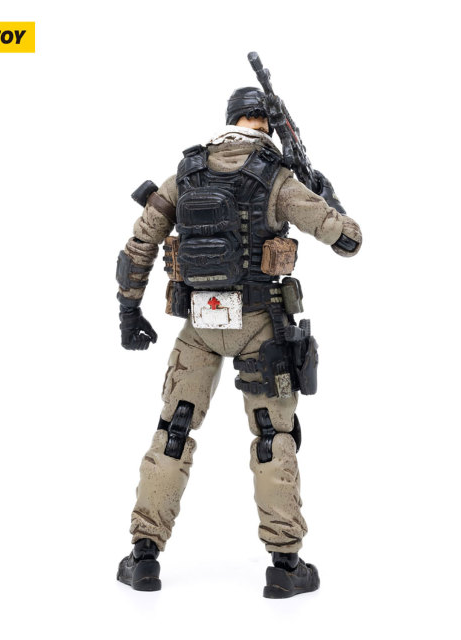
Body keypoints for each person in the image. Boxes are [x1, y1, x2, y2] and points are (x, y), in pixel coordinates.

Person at [115, 86, 362, 598]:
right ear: (266, 125)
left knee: (174, 429)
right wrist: (326, 194)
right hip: (259, 324)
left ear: (229, 120)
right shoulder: (278, 178)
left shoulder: (185, 174)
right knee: (273, 435)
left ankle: (144, 556)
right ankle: (285, 565)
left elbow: (140, 242)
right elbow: (347, 240)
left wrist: (129, 310)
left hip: (200, 325)